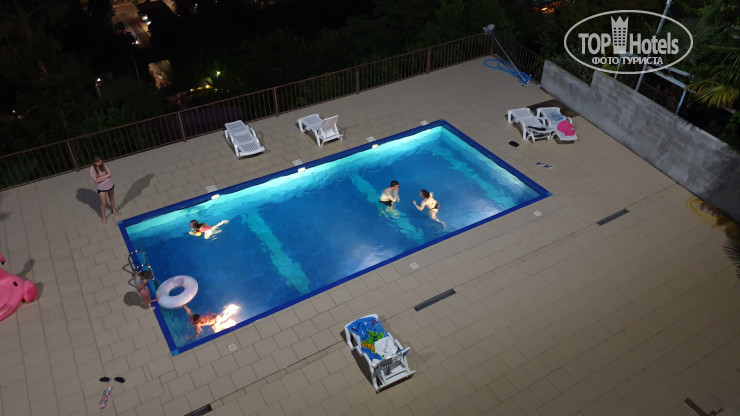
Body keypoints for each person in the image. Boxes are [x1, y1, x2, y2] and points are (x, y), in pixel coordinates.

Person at [89, 156, 120, 224]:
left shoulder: (104, 164)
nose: (101, 162)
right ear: (95, 163)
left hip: (109, 184)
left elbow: (110, 174)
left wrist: (100, 178)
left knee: (111, 197)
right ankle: (103, 217)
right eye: (99, 162)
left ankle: (114, 210)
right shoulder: (92, 169)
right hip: (101, 187)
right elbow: (96, 181)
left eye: (101, 161)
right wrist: (106, 177)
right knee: (104, 203)